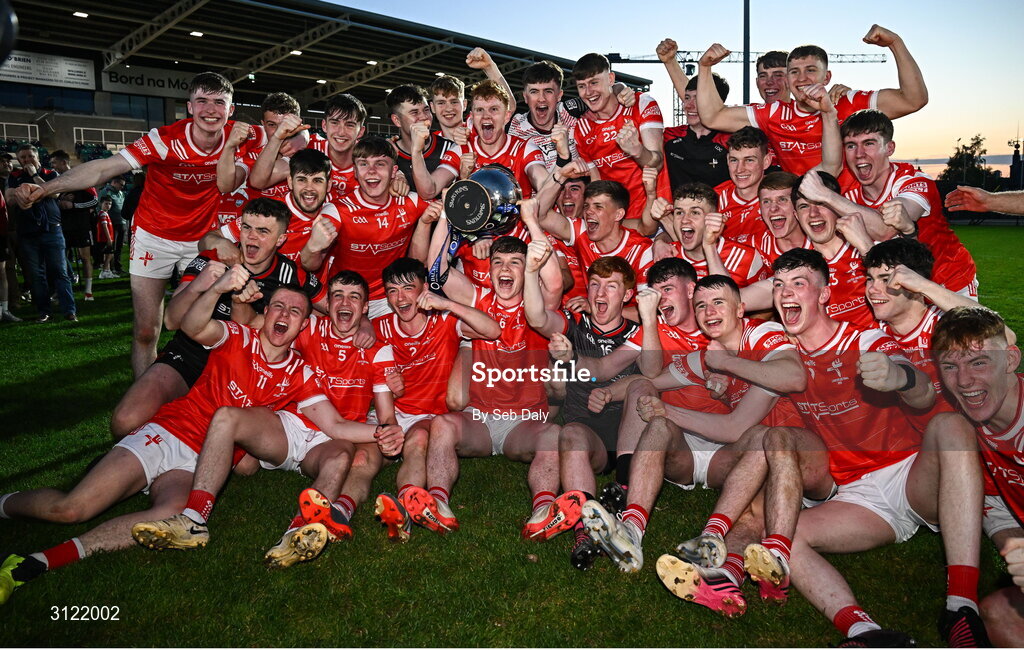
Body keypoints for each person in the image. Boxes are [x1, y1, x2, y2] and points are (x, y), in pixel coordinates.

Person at [672, 248, 987, 646]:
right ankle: (862, 631)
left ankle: (961, 606)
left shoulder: (863, 337)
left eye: (799, 283)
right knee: (780, 531)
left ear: (824, 295)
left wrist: (901, 378)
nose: (787, 293)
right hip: (857, 497)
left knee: (952, 426)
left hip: (910, 474)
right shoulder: (780, 355)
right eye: (779, 286)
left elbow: (922, 392)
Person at [0, 277, 325, 604]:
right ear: (265, 312)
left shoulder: (299, 373)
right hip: (168, 434)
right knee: (70, 509)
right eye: (278, 306)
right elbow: (193, 326)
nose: (285, 314)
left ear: (302, 325)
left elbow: (332, 420)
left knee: (169, 514)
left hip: (200, 466)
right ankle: (4, 503)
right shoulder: (238, 336)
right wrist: (217, 288)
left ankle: (34, 563)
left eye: (295, 311)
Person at [130, 269, 406, 565]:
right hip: (289, 426)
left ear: (365, 307)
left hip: (333, 436)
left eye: (354, 298)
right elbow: (252, 324)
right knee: (229, 421)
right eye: (337, 296)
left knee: (341, 458)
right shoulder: (306, 326)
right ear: (328, 302)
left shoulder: (379, 350)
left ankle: (297, 535)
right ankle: (193, 519)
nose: (344, 304)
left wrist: (388, 433)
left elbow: (377, 418)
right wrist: (240, 300)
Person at [14, 72, 264, 376]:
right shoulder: (165, 140)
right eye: (202, 101)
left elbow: (284, 147)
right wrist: (46, 189)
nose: (210, 109)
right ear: (189, 107)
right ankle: (145, 412)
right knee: (147, 331)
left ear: (231, 110)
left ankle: (204, 396)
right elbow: (104, 168)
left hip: (203, 239)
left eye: (218, 102)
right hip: (154, 237)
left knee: (206, 326)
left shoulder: (244, 137)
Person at [585, 275, 803, 592]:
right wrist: (608, 393)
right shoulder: (708, 356)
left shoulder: (762, 337)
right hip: (703, 454)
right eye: (701, 305)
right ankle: (630, 530)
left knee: (759, 437)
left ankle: (714, 539)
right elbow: (654, 381)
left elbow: (738, 425)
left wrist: (721, 369)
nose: (708, 311)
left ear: (741, 309)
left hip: (758, 457)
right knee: (659, 425)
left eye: (718, 303)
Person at [407, 199, 565, 536]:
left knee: (553, 434)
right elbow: (437, 270)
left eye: (514, 263)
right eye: (498, 263)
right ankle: (438, 504)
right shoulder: (477, 298)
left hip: (524, 421)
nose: (505, 270)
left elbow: (553, 280)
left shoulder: (541, 306)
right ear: (489, 269)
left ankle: (543, 509)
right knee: (442, 425)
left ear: (527, 268)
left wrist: (530, 220)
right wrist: (448, 217)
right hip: (479, 417)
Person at [109, 198, 325, 439]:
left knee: (237, 456)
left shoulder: (290, 275)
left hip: (241, 371)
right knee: (124, 420)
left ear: (281, 239)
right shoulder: (213, 259)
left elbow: (329, 307)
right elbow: (171, 321)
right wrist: (198, 286)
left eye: (263, 231)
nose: (251, 237)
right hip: (191, 354)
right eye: (247, 228)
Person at [523, 250, 641, 565]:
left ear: (628, 295)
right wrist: (530, 271)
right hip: (591, 436)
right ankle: (585, 532)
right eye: (594, 285)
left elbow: (651, 379)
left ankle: (625, 492)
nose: (600, 293)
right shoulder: (575, 322)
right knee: (571, 432)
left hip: (630, 441)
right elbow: (537, 318)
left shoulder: (640, 332)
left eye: (611, 286)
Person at [372, 257, 501, 541]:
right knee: (362, 460)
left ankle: (405, 506)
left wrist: (448, 303)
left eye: (408, 288)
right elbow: (362, 344)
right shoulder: (379, 326)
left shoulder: (444, 320)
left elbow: (493, 331)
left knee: (417, 440)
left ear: (424, 291)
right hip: (394, 410)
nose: (400, 297)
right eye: (392, 290)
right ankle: (336, 510)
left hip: (431, 416)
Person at [696, 26, 928, 178]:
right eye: (794, 72)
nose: (802, 78)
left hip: (854, 206)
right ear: (787, 79)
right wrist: (705, 68)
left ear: (827, 77)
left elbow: (913, 99)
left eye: (811, 70)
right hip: (806, 211)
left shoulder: (848, 102)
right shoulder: (774, 113)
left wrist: (895, 43)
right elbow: (713, 116)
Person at [932, 306, 1024, 647]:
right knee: (997, 612)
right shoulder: (970, 424)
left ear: (1011, 360)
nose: (965, 381)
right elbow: (995, 503)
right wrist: (1014, 544)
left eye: (979, 362)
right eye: (950, 367)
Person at [829, 109, 977, 297]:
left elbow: (886, 229)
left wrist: (827, 196)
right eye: (851, 145)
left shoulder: (914, 181)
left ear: (889, 148)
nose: (859, 154)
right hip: (899, 292)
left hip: (949, 282)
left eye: (869, 143)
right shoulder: (848, 191)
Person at [300, 136, 434, 319]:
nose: (371, 171)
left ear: (394, 171)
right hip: (346, 296)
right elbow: (309, 264)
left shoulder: (409, 201)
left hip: (389, 298)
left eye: (380, 164)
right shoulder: (338, 211)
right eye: (363, 164)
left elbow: (450, 210)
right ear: (355, 171)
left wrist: (425, 222)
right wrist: (312, 247)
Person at [572, 52, 668, 220]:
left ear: (610, 79)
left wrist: (637, 150)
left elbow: (657, 163)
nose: (588, 92)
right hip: (616, 223)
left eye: (594, 82)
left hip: (655, 217)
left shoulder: (641, 104)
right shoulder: (582, 128)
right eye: (582, 86)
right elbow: (596, 182)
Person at [204, 149, 340, 265]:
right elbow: (207, 240)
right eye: (302, 180)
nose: (309, 188)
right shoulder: (269, 212)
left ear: (328, 185)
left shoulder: (336, 210)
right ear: (290, 182)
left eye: (317, 181)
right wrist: (219, 244)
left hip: (314, 292)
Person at [5, 144, 76, 322]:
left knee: (60, 271)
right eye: (23, 158)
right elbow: (9, 198)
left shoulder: (49, 174)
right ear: (19, 160)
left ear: (37, 157)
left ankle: (69, 310)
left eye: (30, 156)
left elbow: (54, 194)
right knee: (36, 274)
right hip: (27, 231)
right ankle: (44, 312)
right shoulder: (14, 176)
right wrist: (28, 191)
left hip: (52, 229)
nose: (27, 160)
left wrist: (34, 178)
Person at [650, 182, 769, 287]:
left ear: (713, 217)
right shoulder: (665, 255)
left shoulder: (744, 257)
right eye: (679, 212)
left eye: (695, 212)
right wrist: (659, 238)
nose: (685, 220)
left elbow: (764, 310)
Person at [249, 93, 366, 199]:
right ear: (324, 125)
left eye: (350, 125)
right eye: (334, 123)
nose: (341, 132)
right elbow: (257, 181)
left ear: (361, 131)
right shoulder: (309, 149)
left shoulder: (372, 160)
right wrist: (277, 138)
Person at [658, 38, 732, 190]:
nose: (688, 105)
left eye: (698, 100)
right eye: (686, 98)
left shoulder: (732, 141)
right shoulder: (670, 136)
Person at [459, 79, 546, 197]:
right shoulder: (463, 149)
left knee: (547, 215)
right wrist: (463, 178)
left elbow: (544, 187)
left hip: (519, 215)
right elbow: (431, 190)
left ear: (507, 116)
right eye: (480, 110)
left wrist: (562, 161)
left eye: (494, 109)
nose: (486, 116)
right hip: (476, 214)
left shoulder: (524, 149)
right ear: (472, 116)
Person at [386, 84, 461, 199]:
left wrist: (417, 150)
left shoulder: (450, 148)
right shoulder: (386, 155)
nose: (424, 117)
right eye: (414, 113)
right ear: (397, 120)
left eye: (426, 110)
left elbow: (429, 193)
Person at [51, 150, 98, 301]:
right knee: (61, 259)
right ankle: (63, 290)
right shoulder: (55, 179)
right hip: (63, 225)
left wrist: (74, 205)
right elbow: (51, 202)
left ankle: (88, 291)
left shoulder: (82, 178)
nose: (53, 166)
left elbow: (94, 201)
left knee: (85, 257)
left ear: (64, 162)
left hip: (81, 225)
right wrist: (60, 201)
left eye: (54, 163)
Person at [715, 128, 772, 244]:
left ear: (766, 161)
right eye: (734, 160)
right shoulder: (715, 197)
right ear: (727, 160)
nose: (739, 169)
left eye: (749, 160)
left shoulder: (783, 196)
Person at [751, 171, 811, 264]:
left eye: (782, 199)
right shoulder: (753, 245)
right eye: (766, 201)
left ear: (797, 205)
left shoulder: (821, 242)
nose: (773, 208)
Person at [98, 175, 126, 274]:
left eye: (123, 186)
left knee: (119, 247)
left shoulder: (121, 193)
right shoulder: (105, 192)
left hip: (121, 222)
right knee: (111, 246)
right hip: (111, 223)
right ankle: (110, 267)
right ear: (114, 182)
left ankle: (117, 267)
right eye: (121, 185)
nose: (122, 187)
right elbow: (101, 207)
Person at [427, 75, 467, 143]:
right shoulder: (428, 143)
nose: (448, 109)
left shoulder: (480, 135)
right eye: (441, 103)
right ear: (432, 107)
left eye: (454, 102)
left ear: (464, 104)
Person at [95, 196, 115, 280]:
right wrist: (109, 239)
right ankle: (104, 271)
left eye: (110, 204)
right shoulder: (102, 213)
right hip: (105, 239)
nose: (108, 205)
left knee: (108, 254)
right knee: (109, 255)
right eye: (106, 203)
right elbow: (104, 226)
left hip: (106, 238)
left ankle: (108, 271)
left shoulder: (105, 213)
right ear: (101, 204)